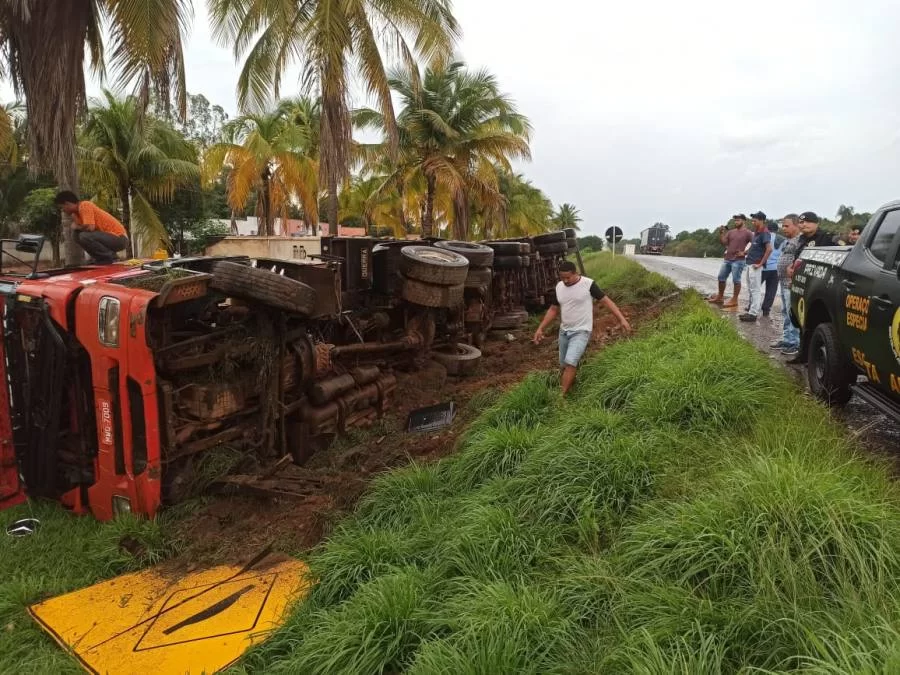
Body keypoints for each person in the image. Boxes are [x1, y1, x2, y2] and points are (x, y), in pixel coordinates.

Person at [533, 261, 631, 395]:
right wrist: (540, 328)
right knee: (564, 365)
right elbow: (553, 309)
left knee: (571, 362)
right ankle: (572, 387)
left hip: (582, 330)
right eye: (562, 278)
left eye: (568, 277)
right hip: (564, 331)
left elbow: (606, 301)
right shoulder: (559, 287)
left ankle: (561, 398)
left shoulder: (588, 284)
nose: (565, 281)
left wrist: (622, 319)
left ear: (575, 273)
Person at [54, 191, 129, 264]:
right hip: (107, 239)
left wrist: (77, 226)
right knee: (76, 235)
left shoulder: (84, 205)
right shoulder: (75, 215)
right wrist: (77, 227)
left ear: (67, 204)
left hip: (120, 239)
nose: (62, 210)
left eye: (62, 207)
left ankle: (110, 257)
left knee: (84, 235)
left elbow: (90, 228)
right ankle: (100, 258)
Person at [771, 214, 802, 357]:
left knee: (792, 313)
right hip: (783, 282)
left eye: (786, 226)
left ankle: (794, 343)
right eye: (782, 226)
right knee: (785, 312)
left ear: (796, 225)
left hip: (791, 284)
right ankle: (787, 339)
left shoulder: (800, 241)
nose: (783, 228)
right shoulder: (788, 241)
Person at [707, 214, 753, 309]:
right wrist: (721, 233)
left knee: (736, 280)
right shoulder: (731, 232)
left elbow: (755, 244)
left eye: (738, 220)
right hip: (727, 259)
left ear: (744, 221)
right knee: (721, 277)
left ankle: (735, 300)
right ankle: (720, 297)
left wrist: (745, 253)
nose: (736, 222)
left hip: (738, 260)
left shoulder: (748, 233)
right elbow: (724, 242)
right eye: (735, 220)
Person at [739, 211, 774, 323]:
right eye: (752, 220)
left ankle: (753, 314)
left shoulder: (765, 232)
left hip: (756, 265)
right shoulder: (757, 233)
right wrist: (744, 253)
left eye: (755, 220)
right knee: (750, 288)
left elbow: (769, 249)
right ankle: (751, 311)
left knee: (755, 290)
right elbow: (754, 246)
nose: (753, 222)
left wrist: (760, 263)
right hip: (750, 263)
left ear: (761, 220)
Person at [760, 221, 783, 317]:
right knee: (771, 290)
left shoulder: (764, 237)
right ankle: (766, 310)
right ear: (777, 229)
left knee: (755, 288)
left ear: (767, 228)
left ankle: (751, 306)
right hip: (775, 269)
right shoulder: (782, 239)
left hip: (762, 267)